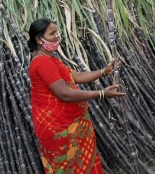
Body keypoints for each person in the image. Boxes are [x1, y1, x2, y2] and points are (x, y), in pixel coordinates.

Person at [27, 18, 126, 174]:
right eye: (52, 33)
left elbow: (75, 76)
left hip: (66, 124)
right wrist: (101, 93)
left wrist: (104, 72)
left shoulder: (50, 59)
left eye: (56, 32)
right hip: (58, 126)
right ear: (39, 39)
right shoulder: (42, 62)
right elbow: (64, 94)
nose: (57, 36)